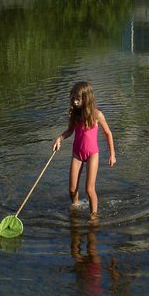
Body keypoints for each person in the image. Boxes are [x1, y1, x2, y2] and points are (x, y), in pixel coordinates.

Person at [53, 81, 116, 218]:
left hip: (92, 154)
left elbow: (108, 133)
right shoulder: (74, 114)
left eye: (78, 99)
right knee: (72, 189)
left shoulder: (97, 115)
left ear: (86, 98)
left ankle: (94, 215)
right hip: (77, 153)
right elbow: (70, 131)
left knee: (89, 189)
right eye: (73, 99)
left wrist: (112, 154)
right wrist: (59, 139)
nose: (75, 102)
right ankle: (76, 206)